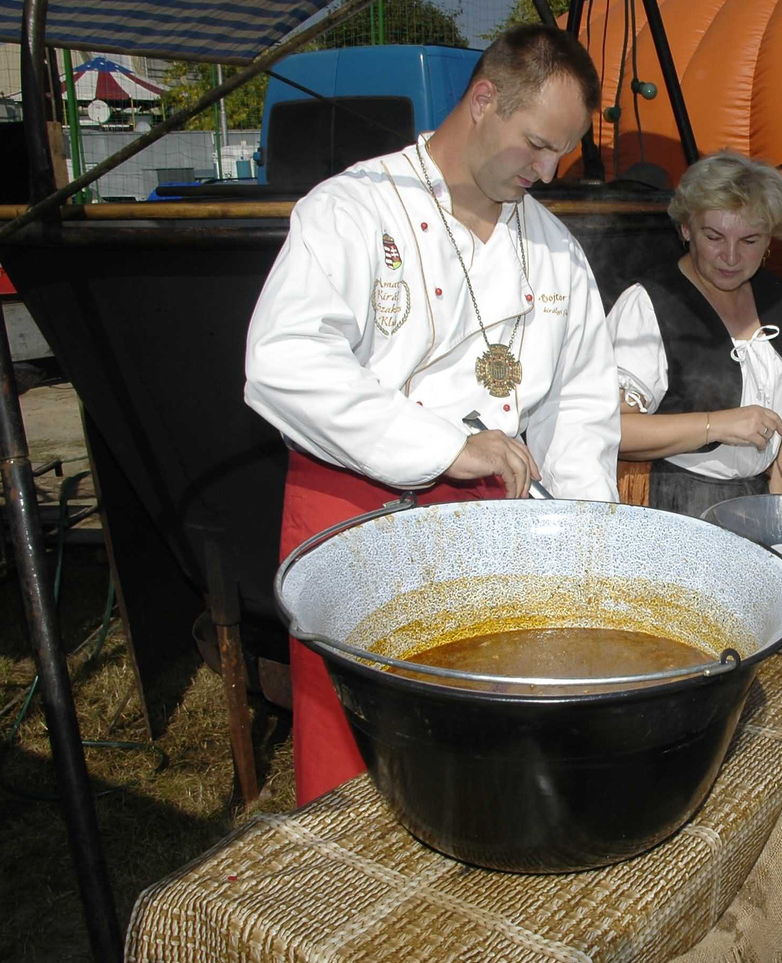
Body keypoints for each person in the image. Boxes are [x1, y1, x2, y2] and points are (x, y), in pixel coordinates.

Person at [244, 25, 622, 804]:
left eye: (563, 154)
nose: (548, 173)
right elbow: (282, 362)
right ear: (483, 100)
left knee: (475, 764)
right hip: (355, 513)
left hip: (495, 525)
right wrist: (445, 446)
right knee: (358, 764)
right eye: (537, 145)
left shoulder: (555, 252)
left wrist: (587, 546)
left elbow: (580, 409)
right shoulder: (353, 209)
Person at [607, 151, 782, 517]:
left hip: (757, 499)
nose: (730, 256)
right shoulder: (649, 305)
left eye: (749, 240)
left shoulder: (781, 300)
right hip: (672, 504)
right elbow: (612, 429)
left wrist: (776, 509)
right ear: (686, 228)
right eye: (714, 236)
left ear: (769, 242)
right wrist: (716, 425)